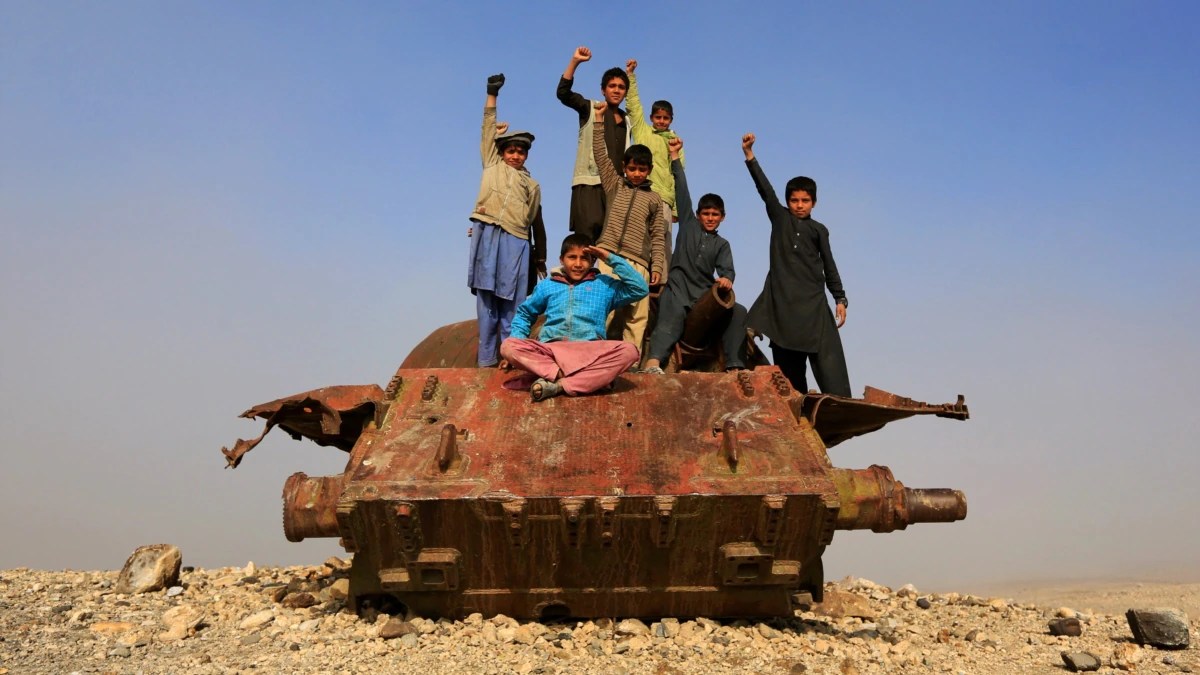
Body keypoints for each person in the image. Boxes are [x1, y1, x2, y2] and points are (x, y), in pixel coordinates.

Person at [741, 133, 851, 396]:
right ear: (787, 201)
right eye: (794, 200)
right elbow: (765, 190)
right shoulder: (780, 219)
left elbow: (829, 265)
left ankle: (840, 404)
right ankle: (796, 403)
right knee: (789, 371)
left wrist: (840, 298)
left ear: (814, 202)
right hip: (783, 305)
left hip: (813, 303)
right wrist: (750, 155)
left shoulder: (819, 230)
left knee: (828, 360)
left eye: (805, 201)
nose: (799, 205)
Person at [643, 136, 747, 374]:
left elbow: (727, 270)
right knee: (670, 314)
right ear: (698, 215)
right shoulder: (689, 225)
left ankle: (735, 365)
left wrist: (727, 279)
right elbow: (681, 188)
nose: (710, 218)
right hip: (678, 287)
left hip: (702, 292)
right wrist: (674, 155)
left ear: (722, 217)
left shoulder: (722, 244)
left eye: (715, 214)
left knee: (738, 311)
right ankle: (653, 362)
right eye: (706, 214)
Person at [501, 234, 647, 401]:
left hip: (590, 352)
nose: (578, 264)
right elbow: (525, 313)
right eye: (572, 257)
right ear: (562, 260)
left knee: (630, 351)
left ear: (593, 261)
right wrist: (517, 340)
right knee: (508, 346)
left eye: (584, 258)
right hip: (551, 351)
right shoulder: (547, 286)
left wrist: (609, 258)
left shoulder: (605, 285)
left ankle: (559, 384)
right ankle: (580, 378)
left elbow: (640, 288)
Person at [467, 73, 546, 368]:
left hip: (517, 240)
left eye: (520, 152)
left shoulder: (532, 185)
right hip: (488, 232)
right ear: (501, 152)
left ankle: (511, 356)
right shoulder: (492, 164)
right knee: (487, 297)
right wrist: (492, 94)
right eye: (511, 150)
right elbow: (488, 129)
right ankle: (487, 359)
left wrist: (538, 257)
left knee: (513, 300)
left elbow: (532, 219)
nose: (515, 155)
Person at [591, 101, 667, 351]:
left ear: (649, 170)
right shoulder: (615, 185)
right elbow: (600, 155)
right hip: (609, 256)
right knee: (603, 308)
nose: (636, 173)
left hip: (638, 262)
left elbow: (657, 236)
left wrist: (657, 266)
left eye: (641, 169)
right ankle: (591, 355)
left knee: (636, 316)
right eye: (632, 168)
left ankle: (631, 361)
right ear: (624, 167)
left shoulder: (654, 199)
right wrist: (599, 121)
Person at [557, 46, 629, 243]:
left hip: (616, 189)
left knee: (610, 246)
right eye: (612, 86)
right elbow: (563, 93)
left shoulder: (628, 120)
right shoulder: (590, 108)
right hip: (589, 185)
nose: (616, 90)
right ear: (603, 90)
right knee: (585, 243)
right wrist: (575, 62)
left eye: (621, 87)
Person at [624, 58, 682, 266]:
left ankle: (662, 282)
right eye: (658, 117)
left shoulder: (674, 141)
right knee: (637, 239)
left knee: (662, 245)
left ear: (671, 119)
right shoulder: (643, 131)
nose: (661, 121)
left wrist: (676, 208)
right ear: (651, 117)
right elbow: (634, 106)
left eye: (665, 118)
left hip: (664, 198)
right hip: (640, 192)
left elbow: (679, 174)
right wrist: (630, 76)